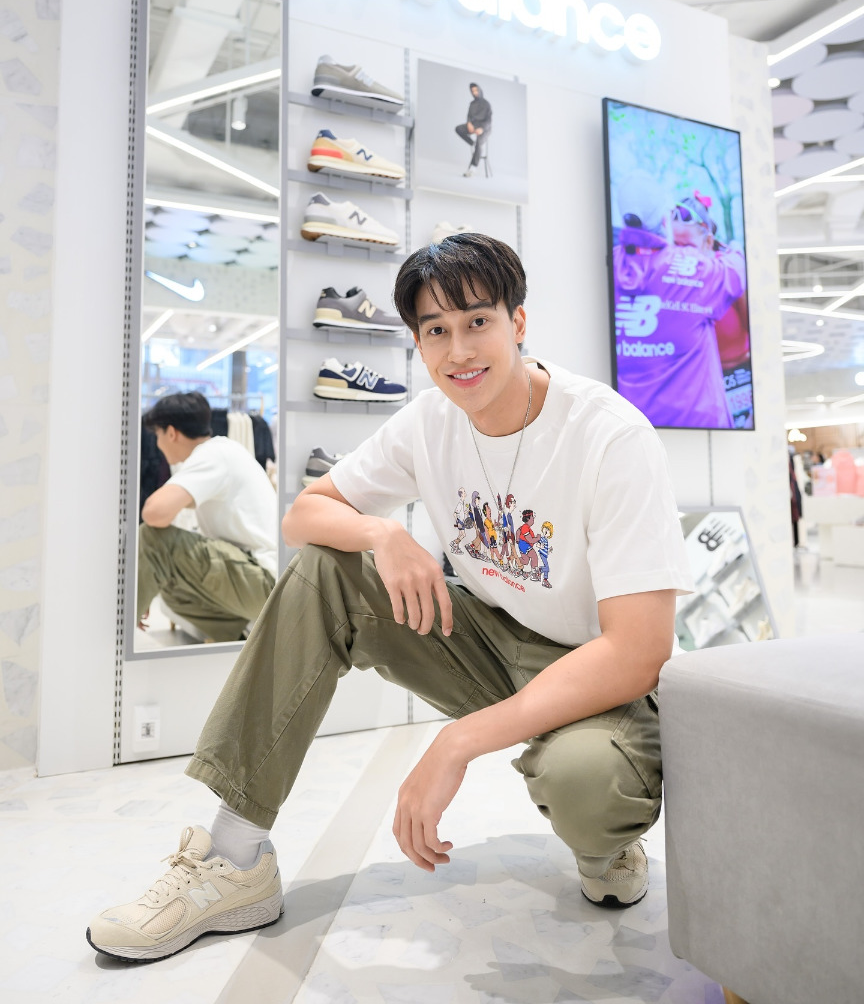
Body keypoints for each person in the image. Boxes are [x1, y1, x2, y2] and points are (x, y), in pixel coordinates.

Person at [88, 235, 693, 963]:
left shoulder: (609, 436)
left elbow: (638, 651)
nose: (458, 350)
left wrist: (456, 741)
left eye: (477, 322)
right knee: (325, 569)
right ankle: (235, 858)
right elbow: (303, 516)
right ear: (417, 342)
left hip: (596, 671)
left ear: (518, 323)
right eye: (436, 331)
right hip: (489, 640)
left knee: (586, 784)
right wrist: (381, 532)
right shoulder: (429, 422)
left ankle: (608, 848)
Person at [137, 391, 277, 643]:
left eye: (158, 435)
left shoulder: (212, 455)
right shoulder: (222, 452)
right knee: (172, 587)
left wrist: (138, 587)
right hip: (259, 581)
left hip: (263, 581)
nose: (157, 444)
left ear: (171, 433)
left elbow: (153, 514)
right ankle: (238, 639)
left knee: (151, 537)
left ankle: (119, 631)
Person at [614, 187, 747, 429]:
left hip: (733, 390)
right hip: (695, 419)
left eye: (687, 247)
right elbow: (737, 265)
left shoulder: (715, 281)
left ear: (708, 242)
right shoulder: (698, 276)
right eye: (674, 245)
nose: (680, 254)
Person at [455, 82, 492, 178]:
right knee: (458, 129)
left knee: (479, 143)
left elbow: (489, 121)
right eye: (473, 91)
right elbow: (469, 116)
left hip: (484, 128)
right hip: (474, 126)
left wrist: (482, 129)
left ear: (480, 90)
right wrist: (469, 123)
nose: (475, 92)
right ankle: (472, 143)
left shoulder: (486, 104)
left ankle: (473, 168)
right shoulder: (472, 104)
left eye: (476, 90)